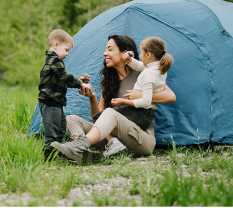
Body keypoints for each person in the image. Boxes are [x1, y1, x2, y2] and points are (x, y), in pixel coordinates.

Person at [51, 35, 176, 164]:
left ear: (124, 53)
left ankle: (78, 148)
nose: (105, 53)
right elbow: (99, 118)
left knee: (110, 113)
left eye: (110, 49)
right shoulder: (108, 83)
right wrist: (92, 98)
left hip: (141, 139)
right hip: (115, 141)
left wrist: (140, 96)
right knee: (71, 119)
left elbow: (170, 96)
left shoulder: (143, 72)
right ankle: (82, 152)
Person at [38, 29, 92, 160]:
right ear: (56, 45)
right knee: (52, 130)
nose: (67, 54)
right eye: (66, 50)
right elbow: (65, 76)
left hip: (56, 102)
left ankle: (58, 151)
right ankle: (48, 157)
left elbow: (64, 80)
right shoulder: (53, 60)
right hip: (49, 101)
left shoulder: (56, 61)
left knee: (61, 127)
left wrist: (79, 81)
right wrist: (81, 85)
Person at [110, 36, 174, 131]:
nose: (139, 56)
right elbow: (139, 66)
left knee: (104, 117)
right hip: (147, 114)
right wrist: (129, 60)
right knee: (109, 117)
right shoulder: (158, 69)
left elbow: (146, 101)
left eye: (141, 52)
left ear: (148, 55)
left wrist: (123, 101)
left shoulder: (149, 73)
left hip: (139, 111)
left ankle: (115, 141)